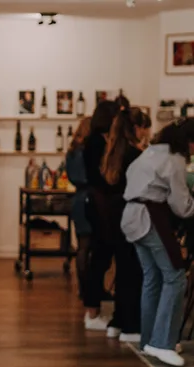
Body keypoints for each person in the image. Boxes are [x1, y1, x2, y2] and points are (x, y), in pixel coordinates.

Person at [122, 119, 194, 367]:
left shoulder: (150, 153)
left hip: (131, 216)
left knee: (152, 278)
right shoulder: (175, 160)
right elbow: (182, 207)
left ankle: (149, 340)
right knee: (176, 277)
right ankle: (162, 343)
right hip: (150, 217)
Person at [94, 107, 152, 341]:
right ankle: (130, 325)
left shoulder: (112, 152)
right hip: (131, 217)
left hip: (113, 216)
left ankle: (118, 321)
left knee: (123, 268)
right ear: (136, 128)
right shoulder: (135, 155)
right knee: (132, 271)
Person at [82, 100, 121, 330]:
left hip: (98, 204)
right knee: (99, 258)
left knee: (98, 257)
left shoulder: (93, 141)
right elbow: (102, 178)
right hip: (101, 205)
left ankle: (93, 309)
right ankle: (92, 312)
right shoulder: (98, 142)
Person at [66, 117, 94, 295]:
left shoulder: (72, 151)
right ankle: (89, 288)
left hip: (77, 199)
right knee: (91, 247)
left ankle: (83, 288)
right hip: (90, 198)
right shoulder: (89, 151)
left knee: (82, 246)